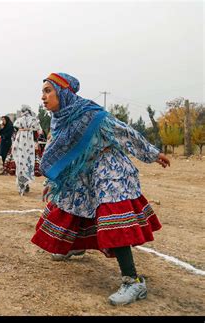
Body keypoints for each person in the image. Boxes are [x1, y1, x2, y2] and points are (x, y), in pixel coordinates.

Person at [31, 72, 170, 306]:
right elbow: (62, 155)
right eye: (42, 91)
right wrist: (52, 181)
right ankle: (76, 247)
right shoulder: (60, 119)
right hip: (83, 171)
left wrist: (153, 154)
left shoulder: (91, 115)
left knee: (113, 218)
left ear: (63, 92)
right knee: (70, 205)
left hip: (109, 169)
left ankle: (133, 281)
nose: (43, 97)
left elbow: (124, 132)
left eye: (48, 91)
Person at [12, 106, 42, 195]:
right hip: (28, 143)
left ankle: (21, 186)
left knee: (20, 164)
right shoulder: (33, 120)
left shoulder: (19, 120)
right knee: (28, 163)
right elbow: (39, 130)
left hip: (20, 141)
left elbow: (15, 126)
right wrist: (30, 129)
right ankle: (26, 184)